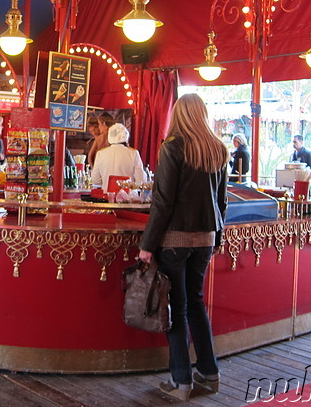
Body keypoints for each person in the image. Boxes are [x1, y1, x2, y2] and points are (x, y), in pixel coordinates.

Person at [138, 93, 227, 401]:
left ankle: (181, 381)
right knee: (197, 304)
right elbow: (222, 201)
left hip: (175, 239)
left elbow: (162, 202)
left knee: (174, 308)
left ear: (179, 115)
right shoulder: (218, 148)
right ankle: (209, 373)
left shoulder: (172, 147)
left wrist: (147, 244)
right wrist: (218, 236)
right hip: (206, 238)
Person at [90, 123, 145, 189]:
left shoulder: (101, 154)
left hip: (107, 196)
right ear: (126, 137)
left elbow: (95, 180)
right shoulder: (133, 153)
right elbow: (141, 179)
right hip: (127, 196)